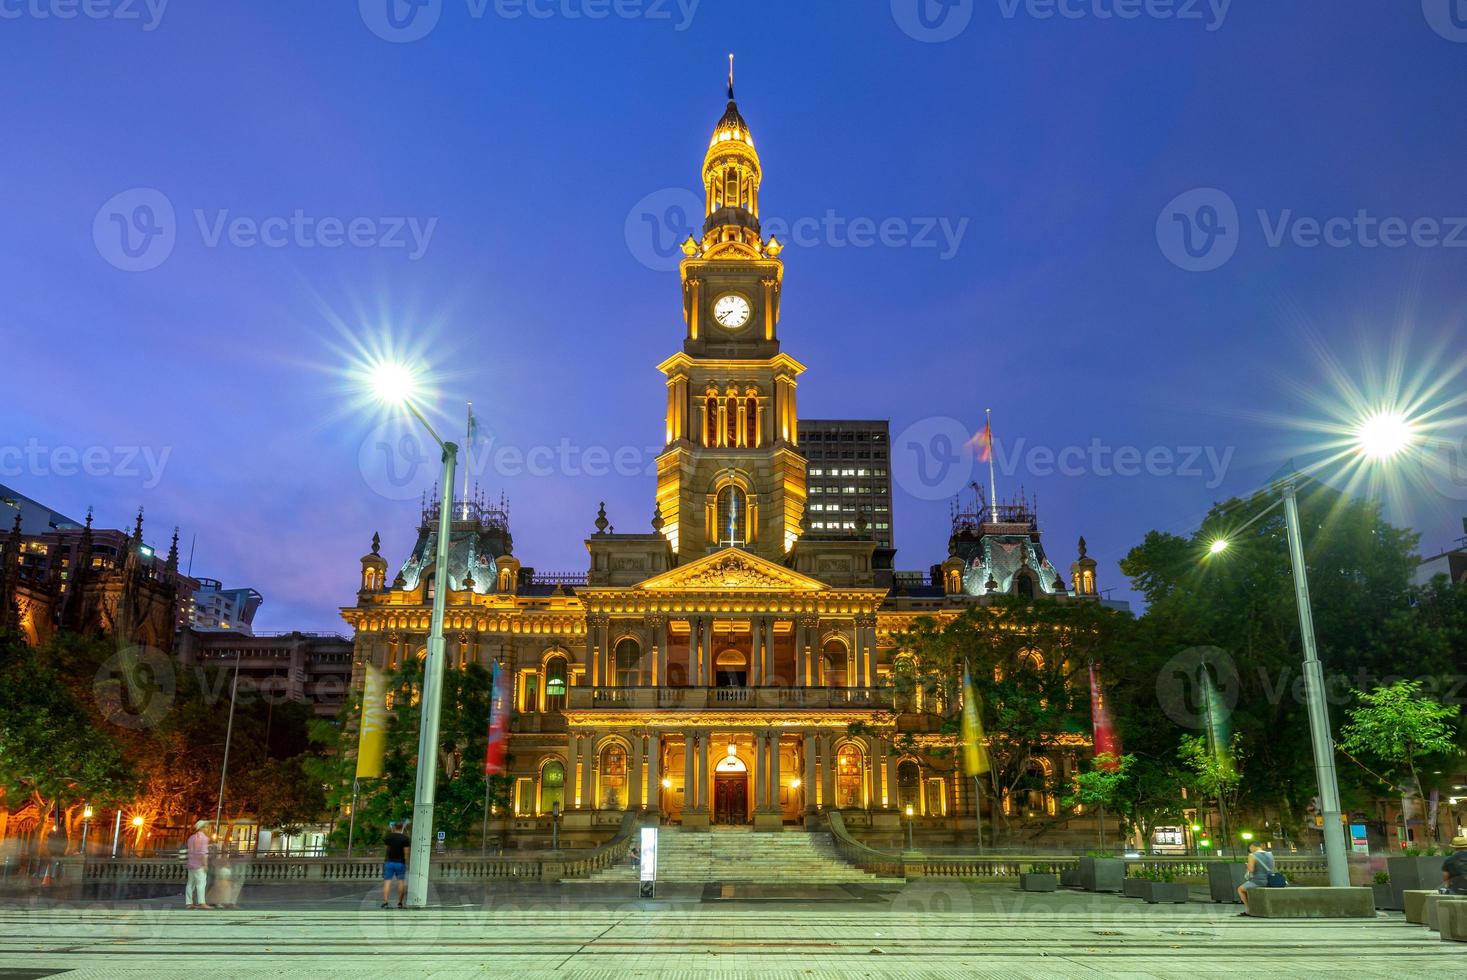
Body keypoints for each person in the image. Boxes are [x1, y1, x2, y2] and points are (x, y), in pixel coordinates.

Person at [1236, 840, 1276, 914]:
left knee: (1240, 889)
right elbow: (1272, 867)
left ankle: (1249, 909)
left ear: (1252, 846)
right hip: (1271, 880)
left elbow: (1251, 870)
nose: (1250, 850)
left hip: (1259, 881)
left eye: (1250, 848)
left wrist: (1247, 865)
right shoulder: (1270, 854)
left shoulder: (1252, 855)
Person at [381, 821, 411, 909]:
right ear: (402, 827)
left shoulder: (389, 837)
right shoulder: (405, 838)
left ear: (394, 828)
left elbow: (386, 849)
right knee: (401, 882)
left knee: (387, 882)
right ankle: (400, 903)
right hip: (400, 862)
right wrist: (405, 863)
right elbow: (406, 853)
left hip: (389, 862)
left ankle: (386, 902)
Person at [184, 821, 212, 909]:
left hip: (191, 864)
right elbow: (203, 853)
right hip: (199, 865)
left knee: (190, 884)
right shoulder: (204, 838)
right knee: (201, 883)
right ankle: (202, 903)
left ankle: (188, 903)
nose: (208, 829)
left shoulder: (191, 838)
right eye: (207, 827)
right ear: (202, 828)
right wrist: (205, 864)